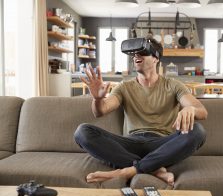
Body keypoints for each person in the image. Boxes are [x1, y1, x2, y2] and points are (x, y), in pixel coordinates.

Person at [74, 36, 207, 186]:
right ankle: (153, 169)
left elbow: (202, 111)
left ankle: (127, 171)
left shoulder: (173, 85)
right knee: (82, 132)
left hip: (163, 144)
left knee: (198, 131)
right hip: (131, 142)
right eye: (134, 54)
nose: (136, 56)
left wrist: (190, 109)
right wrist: (97, 99)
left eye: (142, 52)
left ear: (156, 58)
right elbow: (100, 111)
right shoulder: (124, 87)